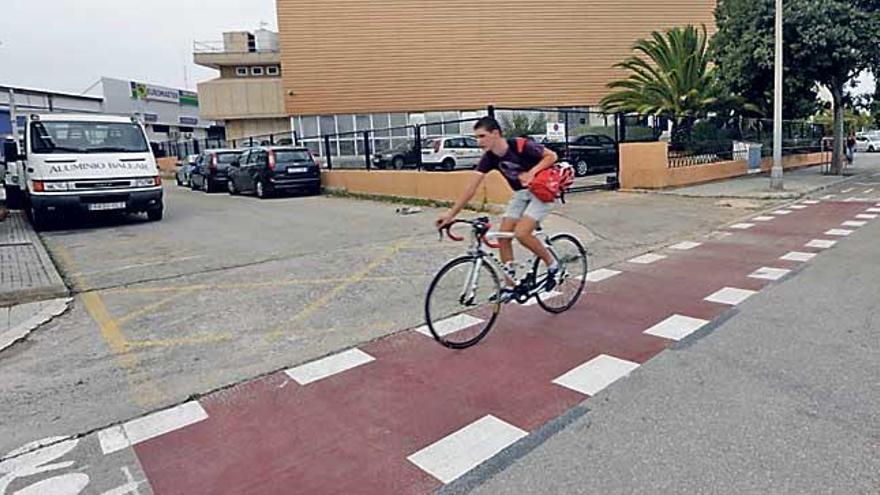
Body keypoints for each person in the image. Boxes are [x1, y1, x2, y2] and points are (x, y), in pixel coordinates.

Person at [436, 116, 560, 291]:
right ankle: (511, 284)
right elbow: (471, 188)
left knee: (522, 233)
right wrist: (450, 215)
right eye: (477, 137)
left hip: (542, 192)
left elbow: (552, 156)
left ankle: (553, 265)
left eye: (482, 136)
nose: (479, 142)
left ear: (495, 133)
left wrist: (532, 173)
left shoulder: (519, 145)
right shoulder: (489, 158)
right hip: (521, 193)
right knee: (503, 235)